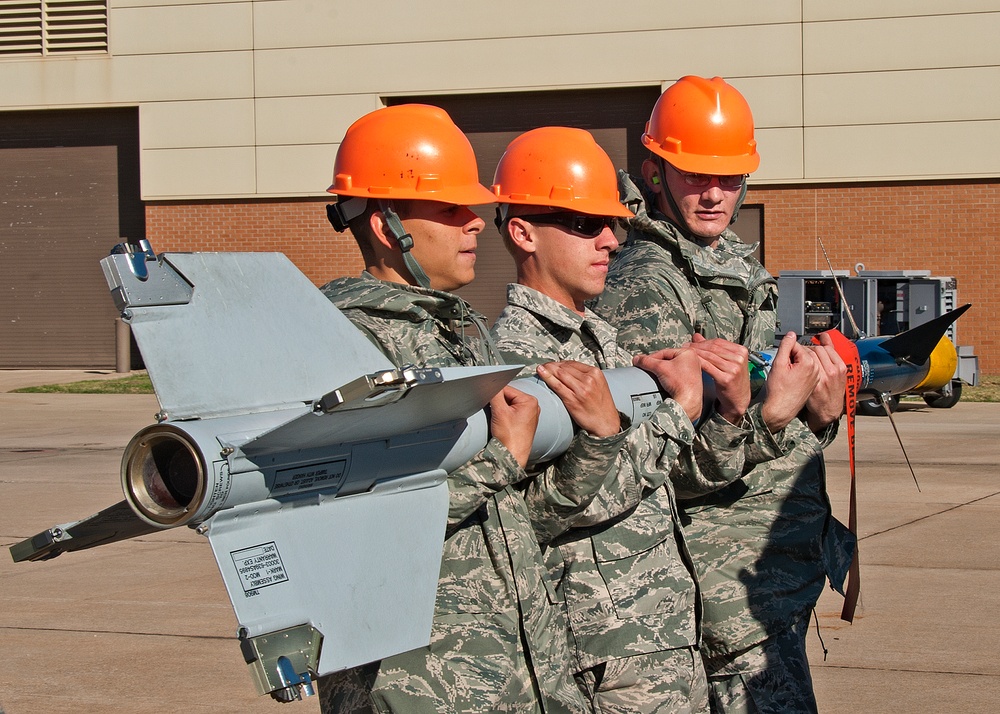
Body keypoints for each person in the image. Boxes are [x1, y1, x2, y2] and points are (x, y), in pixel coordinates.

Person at [315, 104, 625, 714]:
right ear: (387, 225)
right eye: (452, 210)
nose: (476, 224)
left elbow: (526, 519)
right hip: (417, 685)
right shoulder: (337, 346)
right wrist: (500, 460)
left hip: (520, 670)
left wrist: (596, 440)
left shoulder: (465, 336)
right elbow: (348, 526)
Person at [489, 126, 786, 713]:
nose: (610, 242)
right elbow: (546, 514)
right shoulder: (519, 360)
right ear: (522, 232)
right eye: (583, 225)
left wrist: (737, 415)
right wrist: (678, 412)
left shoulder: (602, 343)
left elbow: (670, 479)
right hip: (610, 648)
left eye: (614, 225)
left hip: (665, 631)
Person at [594, 76, 856, 713]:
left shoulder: (731, 265)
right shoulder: (648, 286)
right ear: (655, 172)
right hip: (721, 593)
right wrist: (769, 417)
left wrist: (817, 415)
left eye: (729, 177)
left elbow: (772, 409)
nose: (713, 193)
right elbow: (660, 464)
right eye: (693, 174)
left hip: (771, 579)